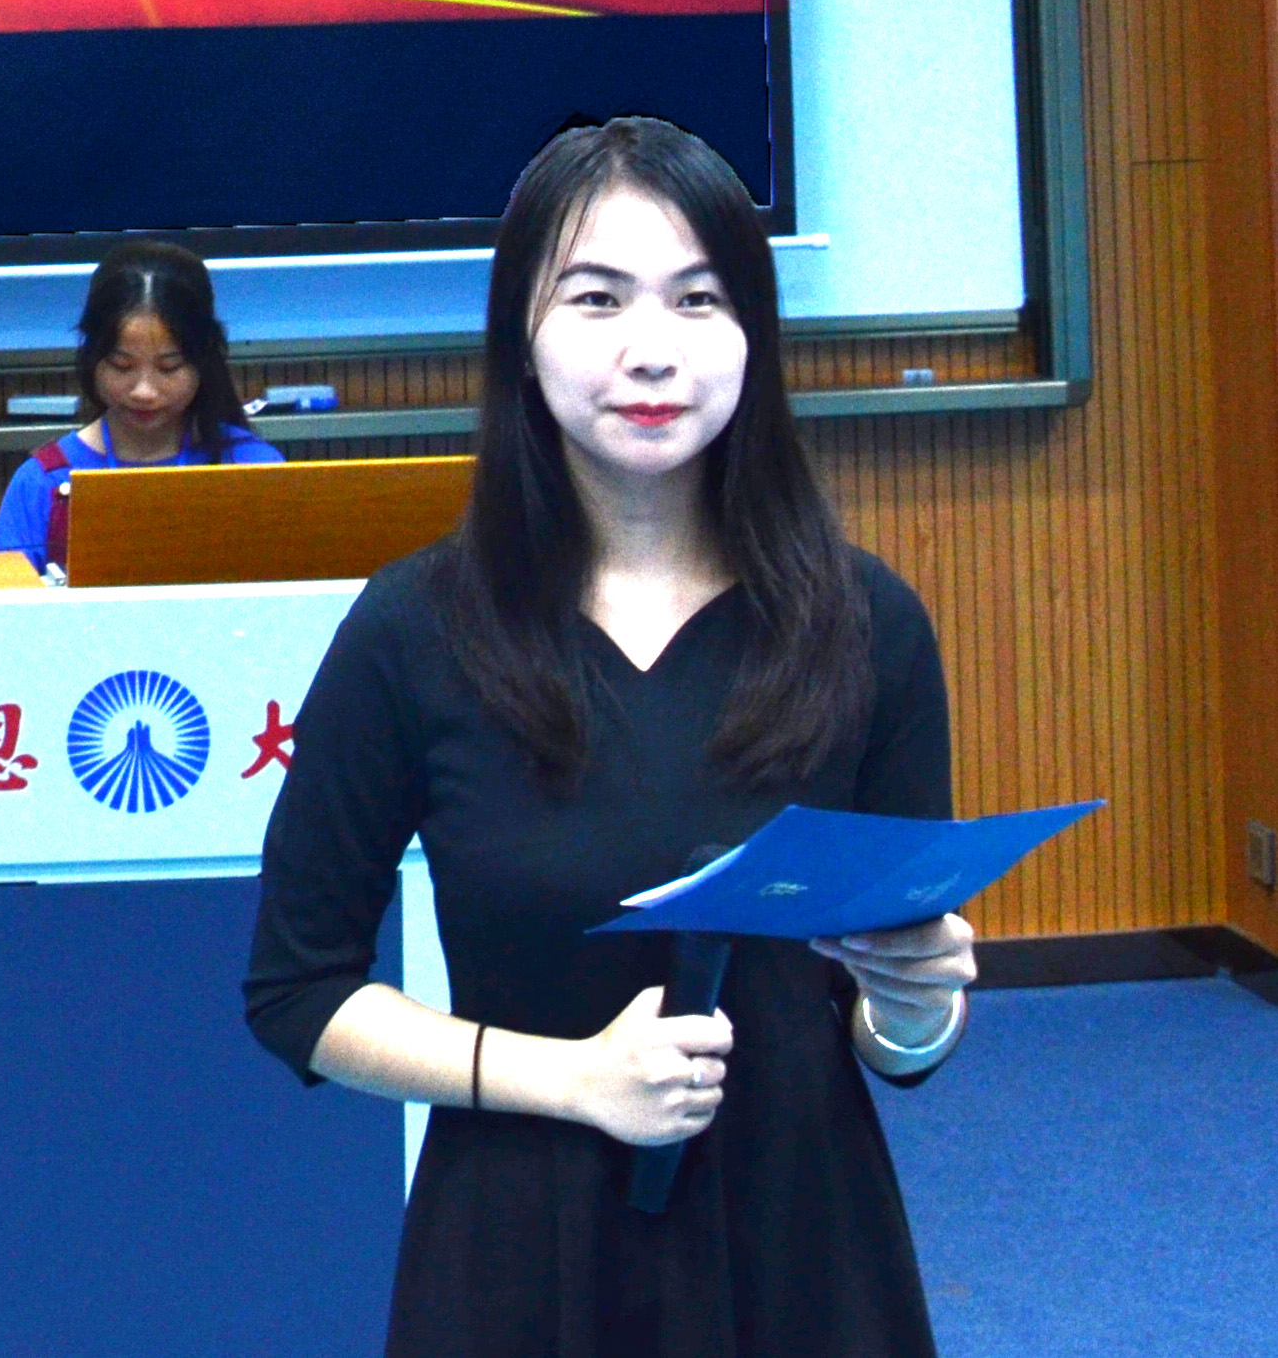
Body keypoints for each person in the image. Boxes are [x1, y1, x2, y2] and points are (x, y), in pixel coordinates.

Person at [245, 117, 974, 1357]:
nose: (650, 349)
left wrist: (915, 1007)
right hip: (519, 1238)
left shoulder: (865, 623)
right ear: (520, 338)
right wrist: (573, 1079)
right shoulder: (415, 627)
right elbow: (297, 991)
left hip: (799, 1237)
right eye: (595, 299)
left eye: (698, 299)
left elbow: (898, 1047)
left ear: (752, 335)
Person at [0, 238, 282, 569]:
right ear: (92, 357)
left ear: (203, 362)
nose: (144, 391)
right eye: (121, 366)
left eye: (169, 367)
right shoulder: (42, 481)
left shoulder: (254, 468)